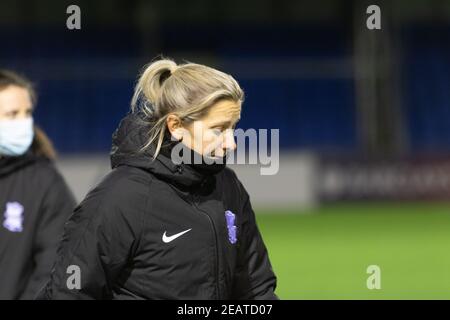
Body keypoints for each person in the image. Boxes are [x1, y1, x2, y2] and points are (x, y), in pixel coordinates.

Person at [38, 58, 277, 300]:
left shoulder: (228, 187)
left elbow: (256, 290)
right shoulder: (121, 196)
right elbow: (68, 293)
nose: (231, 143)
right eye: (218, 129)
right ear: (176, 125)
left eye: (233, 128)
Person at [0, 70, 76, 299]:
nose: (23, 123)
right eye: (12, 114)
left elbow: (56, 264)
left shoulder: (44, 182)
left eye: (27, 113)